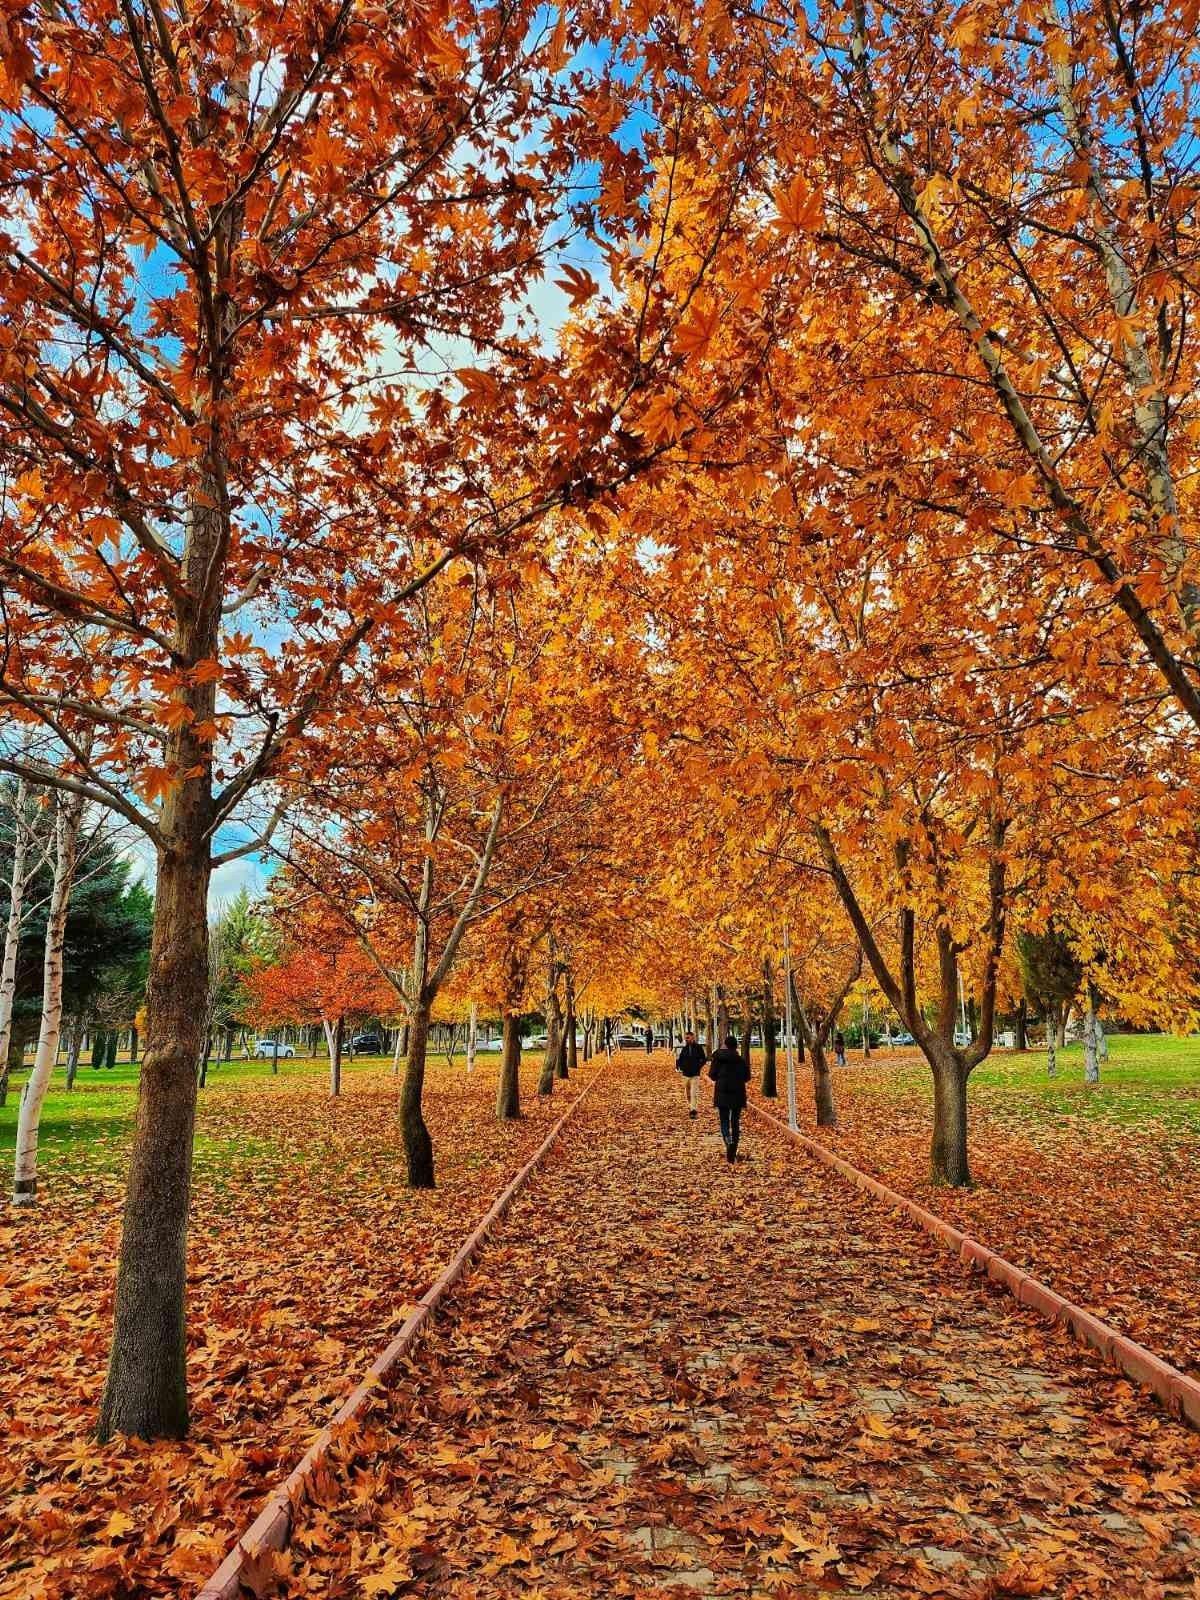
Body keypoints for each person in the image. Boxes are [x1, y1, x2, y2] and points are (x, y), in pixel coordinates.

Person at [708, 1033, 750, 1163]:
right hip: (737, 1093)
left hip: (722, 1092)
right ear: (736, 1046)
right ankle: (734, 1148)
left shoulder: (718, 1058)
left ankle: (728, 1140)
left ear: (725, 1045)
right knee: (735, 1122)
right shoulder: (741, 1060)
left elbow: (712, 1075)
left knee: (724, 1120)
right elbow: (747, 1077)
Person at [675, 1031, 707, 1119]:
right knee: (688, 1093)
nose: (686, 1039)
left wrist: (698, 1067)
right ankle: (691, 1105)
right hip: (685, 1074)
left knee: (694, 1093)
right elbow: (680, 1059)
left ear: (693, 1038)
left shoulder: (698, 1048)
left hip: (695, 1074)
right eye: (686, 1038)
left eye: (688, 1038)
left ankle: (693, 1110)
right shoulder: (684, 1049)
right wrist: (680, 1067)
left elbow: (703, 1059)